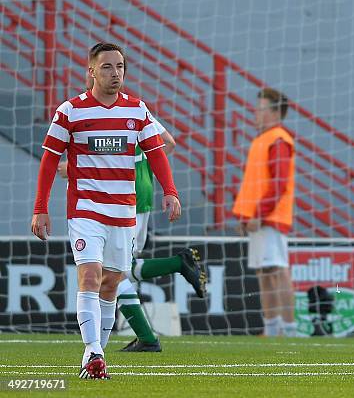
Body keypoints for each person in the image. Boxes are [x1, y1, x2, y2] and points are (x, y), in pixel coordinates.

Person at [31, 42, 181, 379]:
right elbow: (49, 161)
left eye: (120, 67)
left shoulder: (137, 110)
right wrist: (40, 207)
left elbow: (157, 153)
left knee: (112, 283)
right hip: (86, 211)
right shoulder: (70, 111)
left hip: (124, 213)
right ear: (91, 71)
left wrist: (170, 191)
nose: (116, 73)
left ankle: (96, 357)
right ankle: (94, 352)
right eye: (108, 67)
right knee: (89, 275)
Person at [56, 75, 206, 353]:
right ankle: (146, 335)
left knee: (116, 272)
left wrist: (126, 162)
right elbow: (167, 143)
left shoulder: (132, 110)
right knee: (117, 270)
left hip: (124, 194)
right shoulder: (121, 111)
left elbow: (165, 144)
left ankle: (173, 272)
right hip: (137, 193)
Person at [232, 88, 297, 337]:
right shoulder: (263, 139)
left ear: (275, 112)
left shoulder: (279, 139)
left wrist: (259, 213)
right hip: (259, 218)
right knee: (265, 272)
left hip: (270, 218)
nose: (255, 113)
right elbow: (254, 184)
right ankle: (272, 329)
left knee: (277, 271)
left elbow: (278, 184)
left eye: (260, 109)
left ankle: (289, 330)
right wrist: (246, 215)